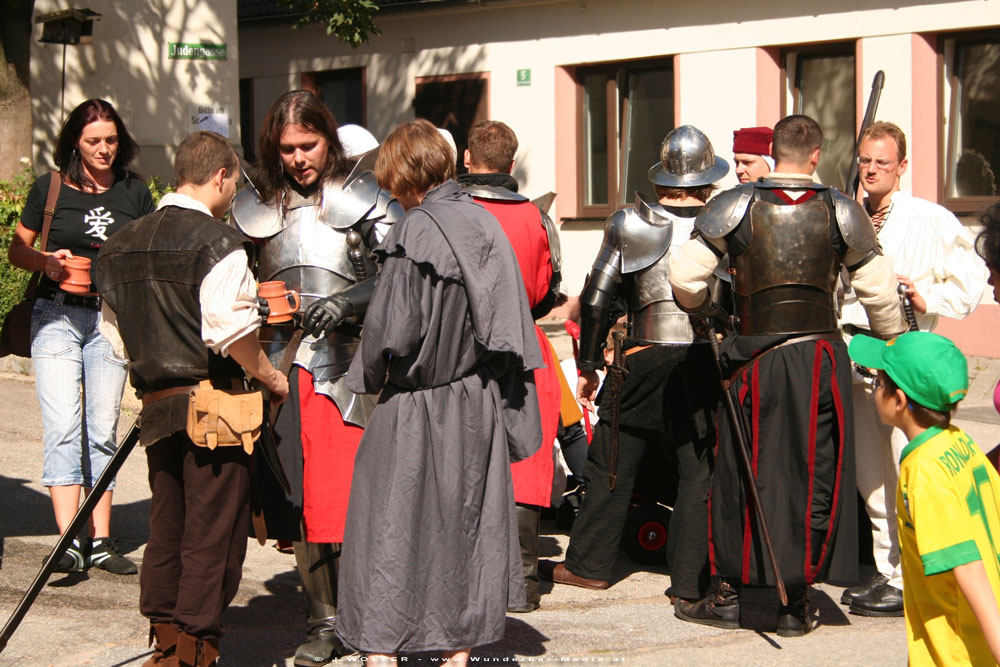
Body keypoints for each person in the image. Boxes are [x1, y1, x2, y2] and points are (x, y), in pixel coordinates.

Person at [668, 114, 907, 636]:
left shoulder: (736, 204)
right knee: (811, 471)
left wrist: (709, 311)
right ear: (817, 155)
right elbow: (883, 300)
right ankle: (794, 602)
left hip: (752, 354)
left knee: (738, 468)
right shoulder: (843, 211)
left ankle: (729, 594)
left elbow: (684, 276)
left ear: (774, 152)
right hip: (819, 358)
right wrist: (894, 343)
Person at [335, 119, 542, 664]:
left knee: (389, 527)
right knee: (463, 528)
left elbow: (391, 332)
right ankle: (457, 656)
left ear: (400, 172)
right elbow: (509, 322)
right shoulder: (484, 222)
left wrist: (366, 377)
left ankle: (380, 654)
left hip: (415, 402)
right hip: (475, 401)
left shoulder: (415, 230)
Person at [94, 130, 289, 667]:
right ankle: (193, 649)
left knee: (169, 520)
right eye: (234, 183)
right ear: (222, 176)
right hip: (219, 404)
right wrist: (271, 378)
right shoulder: (218, 244)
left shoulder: (120, 243)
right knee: (213, 531)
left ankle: (165, 636)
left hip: (157, 404)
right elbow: (232, 334)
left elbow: (115, 339)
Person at [229, 90, 400, 667]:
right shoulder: (256, 207)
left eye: (309, 145)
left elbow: (400, 277)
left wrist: (347, 302)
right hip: (279, 370)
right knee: (299, 500)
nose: (299, 158)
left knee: (351, 499)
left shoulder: (368, 198)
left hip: (351, 368)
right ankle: (323, 618)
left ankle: (368, 612)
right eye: (288, 149)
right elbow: (235, 280)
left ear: (329, 138)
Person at [541, 126, 723, 608]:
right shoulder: (726, 221)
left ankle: (589, 566)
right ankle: (689, 581)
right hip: (705, 358)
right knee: (697, 470)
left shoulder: (629, 222)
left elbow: (598, 298)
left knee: (612, 464)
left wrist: (587, 363)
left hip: (641, 358)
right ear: (707, 176)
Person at [840, 121, 987, 617]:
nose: (872, 170)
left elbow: (972, 280)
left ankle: (921, 576)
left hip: (907, 361)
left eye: (883, 161)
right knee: (871, 477)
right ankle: (890, 574)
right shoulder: (848, 213)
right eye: (865, 160)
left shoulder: (931, 219)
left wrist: (930, 297)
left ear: (902, 167)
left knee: (912, 469)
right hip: (858, 357)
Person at [7, 98, 154, 575]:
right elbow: (17, 248)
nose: (104, 149)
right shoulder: (50, 188)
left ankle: (102, 540)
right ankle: (69, 540)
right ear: (76, 141)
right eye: (94, 141)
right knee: (64, 427)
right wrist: (46, 261)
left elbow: (146, 253)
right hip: (56, 315)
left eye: (111, 140)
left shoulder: (134, 191)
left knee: (101, 430)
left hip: (109, 319)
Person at [457, 119, 563, 612]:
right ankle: (520, 580)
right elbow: (546, 290)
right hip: (523, 342)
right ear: (512, 164)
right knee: (525, 459)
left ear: (466, 159)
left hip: (460, 347)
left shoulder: (450, 213)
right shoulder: (538, 219)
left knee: (463, 457)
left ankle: (468, 578)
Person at [848, 331, 1000, 665]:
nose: (873, 387)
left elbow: (968, 569)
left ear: (898, 400)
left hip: (956, 649)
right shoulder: (959, 442)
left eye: (878, 381)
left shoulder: (925, 472)